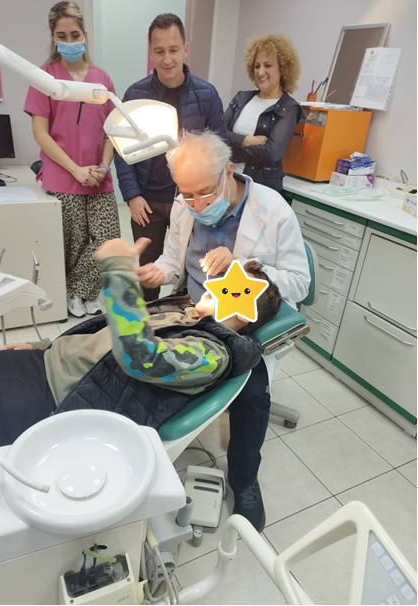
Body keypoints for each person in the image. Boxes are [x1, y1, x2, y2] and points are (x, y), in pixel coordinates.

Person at [0, 237, 282, 461]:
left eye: (232, 286)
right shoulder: (187, 312)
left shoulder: (212, 356)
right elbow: (105, 333)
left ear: (244, 314)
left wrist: (119, 272)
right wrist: (43, 346)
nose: (217, 282)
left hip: (55, 398)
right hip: (42, 361)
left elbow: (139, 356)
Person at [137, 130, 310, 531]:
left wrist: (243, 264)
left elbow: (300, 283)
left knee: (252, 396)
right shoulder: (185, 206)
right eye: (187, 195)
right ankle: (147, 458)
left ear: (228, 171)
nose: (196, 205)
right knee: (145, 361)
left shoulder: (274, 210)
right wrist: (157, 271)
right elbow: (174, 261)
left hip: (240, 322)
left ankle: (244, 480)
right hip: (191, 309)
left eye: (204, 193)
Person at [114, 13, 227, 301]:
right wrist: (131, 195)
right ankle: (148, 321)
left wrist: (208, 199)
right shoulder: (135, 94)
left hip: (191, 202)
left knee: (192, 269)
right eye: (159, 51)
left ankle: (186, 320)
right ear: (150, 52)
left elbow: (220, 150)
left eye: (174, 50)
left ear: (185, 49)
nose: (167, 59)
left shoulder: (207, 95)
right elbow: (122, 150)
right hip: (147, 202)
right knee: (149, 273)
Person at [24, 1, 120, 319]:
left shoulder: (101, 79)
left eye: (74, 35)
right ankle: (78, 292)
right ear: (53, 37)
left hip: (99, 175)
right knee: (74, 243)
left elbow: (112, 130)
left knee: (108, 239)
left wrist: (104, 166)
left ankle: (81, 289)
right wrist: (76, 170)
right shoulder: (45, 77)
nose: (69, 42)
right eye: (61, 36)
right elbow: (41, 133)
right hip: (64, 176)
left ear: (85, 34)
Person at [225, 34, 303, 193]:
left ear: (283, 68)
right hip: (228, 183)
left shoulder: (289, 107)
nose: (261, 72)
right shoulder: (241, 98)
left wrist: (232, 152)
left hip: (260, 190)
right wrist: (247, 140)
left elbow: (271, 153)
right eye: (257, 66)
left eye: (267, 65)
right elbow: (217, 134)